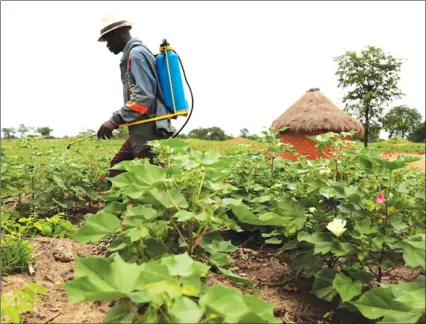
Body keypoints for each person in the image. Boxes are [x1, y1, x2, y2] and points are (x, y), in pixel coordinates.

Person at [96, 15, 173, 178]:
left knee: (153, 181)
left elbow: (144, 97)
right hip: (139, 129)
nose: (107, 45)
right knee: (116, 172)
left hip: (149, 132)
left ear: (117, 33)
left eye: (108, 39)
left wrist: (115, 120)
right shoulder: (134, 54)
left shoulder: (136, 54)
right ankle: (120, 203)